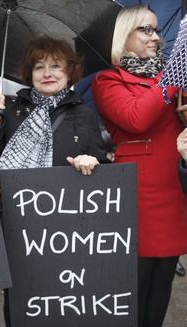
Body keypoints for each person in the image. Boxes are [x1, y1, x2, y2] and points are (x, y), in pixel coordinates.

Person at [0, 36, 109, 325]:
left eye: (56, 65)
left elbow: (101, 164)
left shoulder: (83, 112)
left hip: (67, 231)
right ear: (30, 73)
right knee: (18, 299)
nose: (47, 73)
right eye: (39, 67)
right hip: (18, 226)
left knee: (61, 297)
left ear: (70, 72)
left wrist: (93, 162)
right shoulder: (11, 110)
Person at [91, 5, 187, 327]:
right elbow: (137, 118)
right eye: (145, 30)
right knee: (136, 284)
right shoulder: (108, 80)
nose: (155, 37)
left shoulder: (171, 77)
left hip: (174, 191)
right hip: (139, 196)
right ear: (124, 36)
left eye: (157, 30)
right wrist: (172, 76)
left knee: (162, 286)